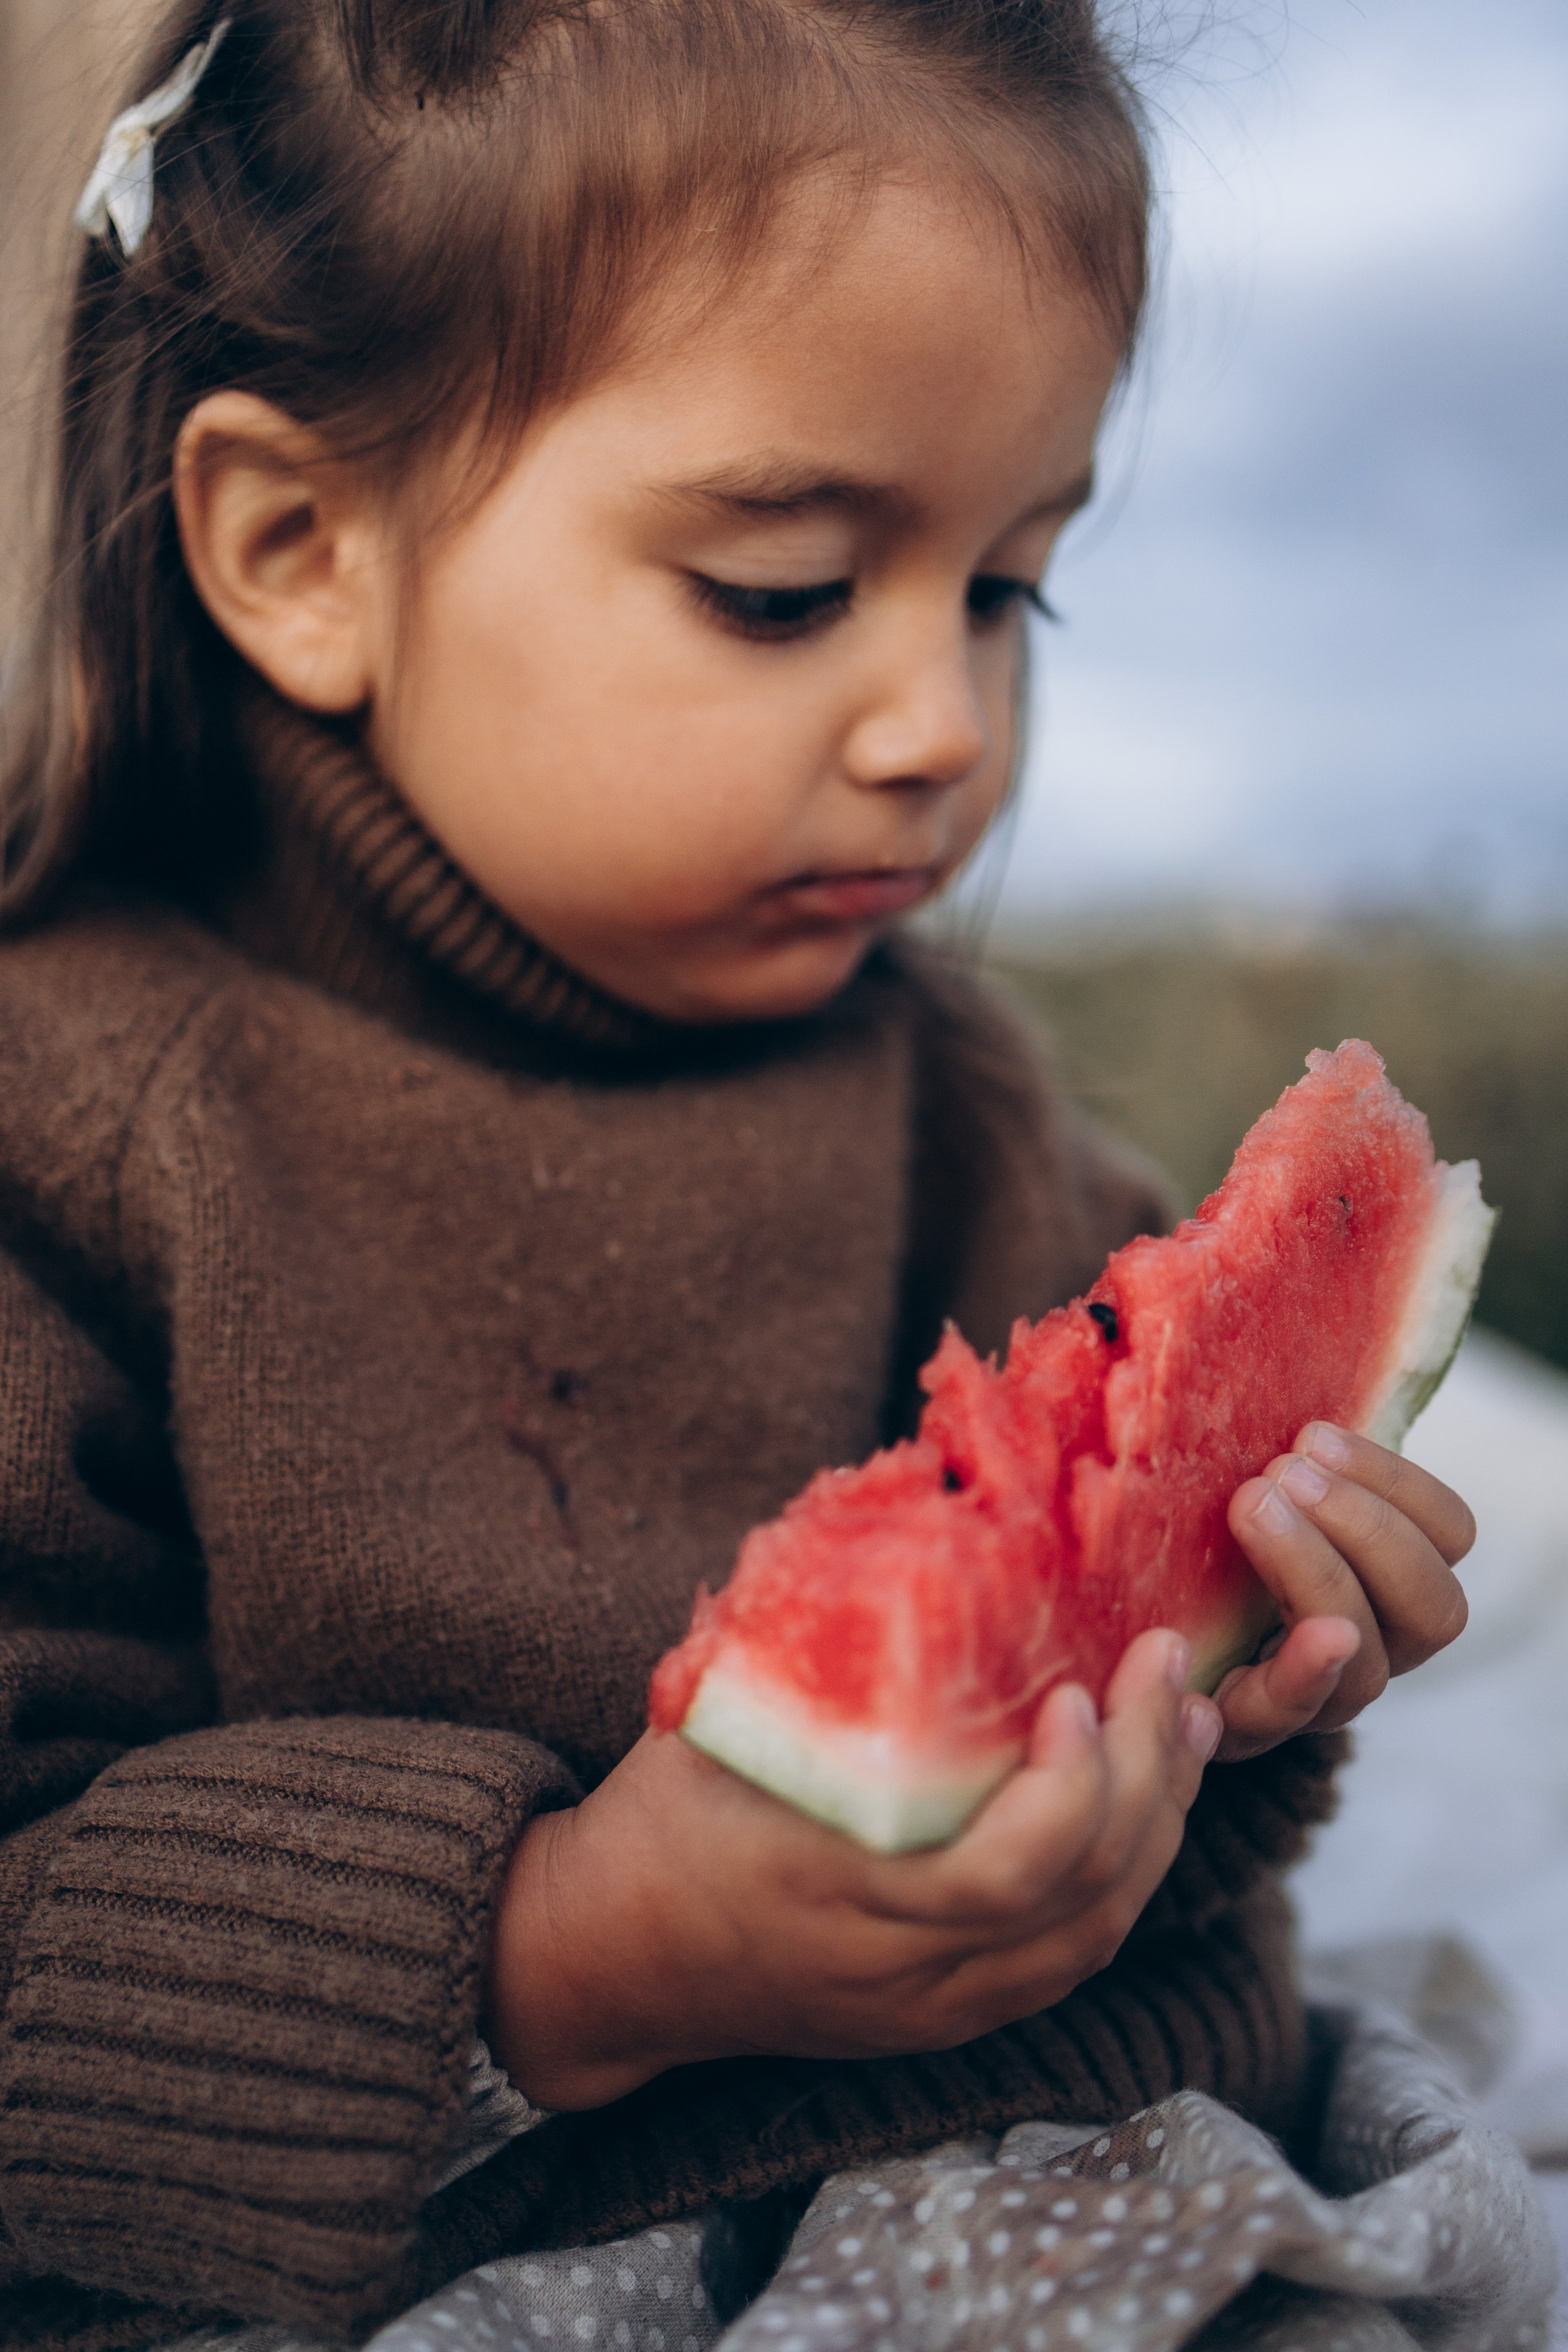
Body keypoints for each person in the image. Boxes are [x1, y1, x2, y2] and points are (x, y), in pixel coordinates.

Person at [0, 2, 1475, 2345]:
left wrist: (1258, 1702)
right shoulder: (67, 1129)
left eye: (1009, 589)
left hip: (1119, 2193)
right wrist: (565, 1956)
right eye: (787, 592)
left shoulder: (968, 1112)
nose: (945, 730)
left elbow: (1154, 1832)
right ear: (300, 553)